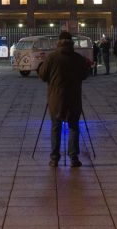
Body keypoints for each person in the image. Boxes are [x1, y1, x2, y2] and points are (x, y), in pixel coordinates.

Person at [37, 31, 88, 168]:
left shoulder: (52, 57)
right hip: (74, 97)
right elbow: (85, 74)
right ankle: (74, 158)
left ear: (58, 42)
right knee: (73, 126)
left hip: (56, 98)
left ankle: (54, 158)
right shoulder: (77, 58)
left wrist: (40, 67)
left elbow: (42, 75)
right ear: (71, 42)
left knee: (56, 126)